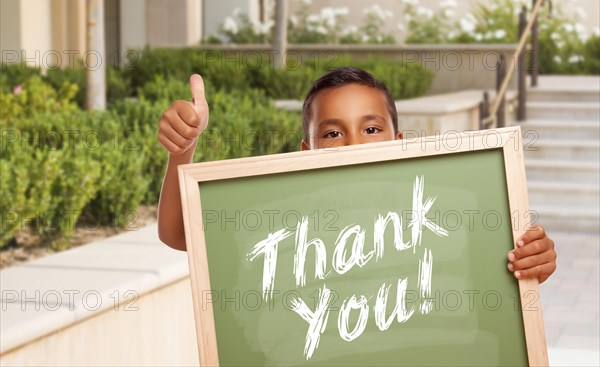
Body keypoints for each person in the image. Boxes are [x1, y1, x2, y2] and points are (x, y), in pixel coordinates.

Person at [157, 67, 557, 284]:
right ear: (305, 151)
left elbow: (495, 269)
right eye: (332, 133)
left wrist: (532, 262)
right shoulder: (283, 223)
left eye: (370, 129)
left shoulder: (443, 219)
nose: (353, 145)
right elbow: (177, 233)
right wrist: (183, 150)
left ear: (398, 141)